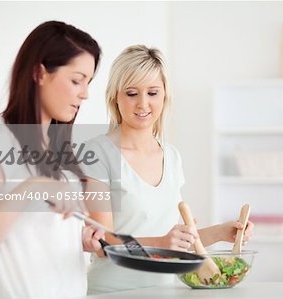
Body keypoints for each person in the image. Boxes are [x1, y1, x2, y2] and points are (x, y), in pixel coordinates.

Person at [82, 45, 254, 294]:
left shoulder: (171, 157)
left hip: (164, 291)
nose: (143, 103)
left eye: (152, 92)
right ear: (115, 97)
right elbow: (101, 243)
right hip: (112, 291)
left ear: (164, 96)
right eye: (131, 93)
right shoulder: (97, 153)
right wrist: (162, 243)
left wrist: (221, 232)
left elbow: (177, 242)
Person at [0, 21, 105, 299]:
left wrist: (81, 239)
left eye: (88, 82)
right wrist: (32, 186)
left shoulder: (63, 154)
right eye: (76, 80)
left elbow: (41, 237)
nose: (85, 94)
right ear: (39, 72)